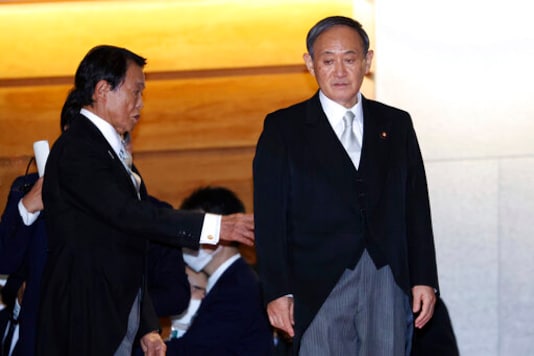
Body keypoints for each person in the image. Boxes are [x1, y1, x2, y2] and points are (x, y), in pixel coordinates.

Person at [36, 45, 254, 356]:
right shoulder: (79, 149)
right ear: (102, 90)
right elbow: (131, 215)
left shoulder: (111, 154)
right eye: (136, 92)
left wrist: (147, 325)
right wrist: (214, 226)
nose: (140, 104)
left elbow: (129, 247)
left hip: (112, 317)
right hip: (85, 318)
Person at [253, 16, 439, 355]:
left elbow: (416, 206)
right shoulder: (284, 129)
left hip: (387, 277)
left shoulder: (396, 124)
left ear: (367, 62)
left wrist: (424, 276)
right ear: (310, 63)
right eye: (328, 60)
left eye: (350, 59)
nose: (339, 71)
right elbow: (269, 218)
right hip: (318, 281)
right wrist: (277, 291)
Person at [165, 186, 273, 356]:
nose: (186, 240)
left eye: (195, 231)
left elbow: (194, 351)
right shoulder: (230, 281)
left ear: (222, 231)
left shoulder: (238, 288)